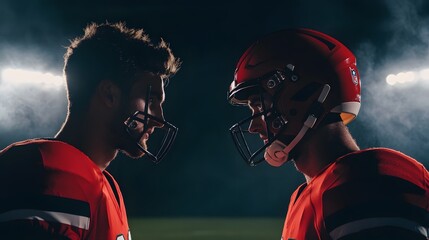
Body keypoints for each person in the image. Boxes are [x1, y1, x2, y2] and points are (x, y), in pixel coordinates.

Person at [227, 29, 429, 239]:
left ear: (304, 95)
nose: (253, 127)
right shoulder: (310, 193)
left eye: (259, 106)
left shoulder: (363, 180)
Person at [0, 22, 181, 239]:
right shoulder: (53, 172)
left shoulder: (106, 184)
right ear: (109, 95)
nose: (159, 120)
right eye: (150, 100)